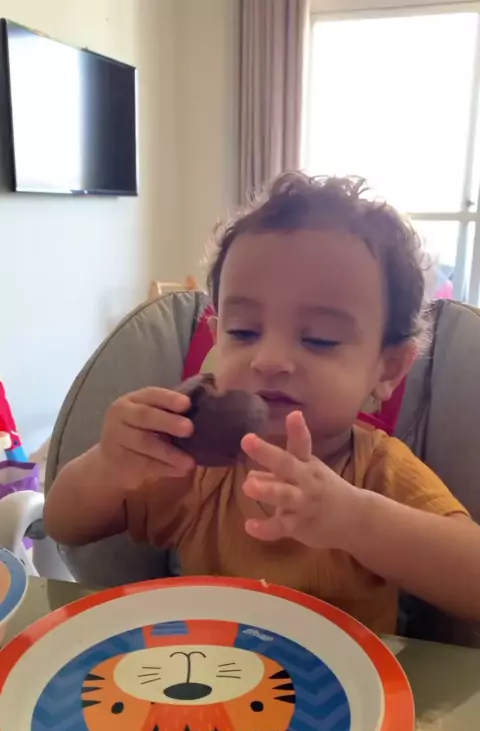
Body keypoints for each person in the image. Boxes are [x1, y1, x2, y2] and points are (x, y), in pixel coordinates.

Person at [43, 172, 480, 635]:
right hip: (200, 669)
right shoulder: (190, 467)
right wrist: (110, 465)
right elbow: (65, 525)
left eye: (320, 339)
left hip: (349, 679)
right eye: (243, 332)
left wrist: (356, 520)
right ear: (217, 337)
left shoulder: (377, 471)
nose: (269, 359)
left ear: (387, 369)